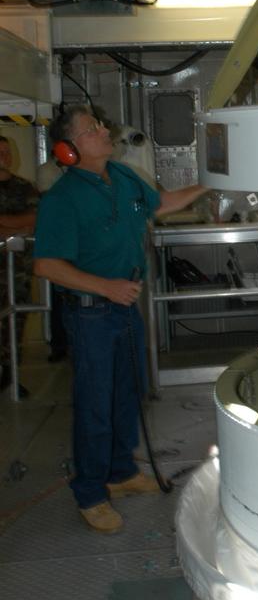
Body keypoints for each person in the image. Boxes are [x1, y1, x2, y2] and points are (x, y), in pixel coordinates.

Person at [33, 105, 207, 534]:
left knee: (128, 395)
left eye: (99, 125)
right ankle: (91, 494)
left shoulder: (124, 176)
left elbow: (161, 203)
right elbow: (47, 265)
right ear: (68, 150)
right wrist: (106, 287)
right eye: (91, 129)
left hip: (123, 308)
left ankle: (121, 472)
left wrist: (211, 183)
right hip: (91, 314)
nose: (103, 130)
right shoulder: (62, 198)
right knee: (95, 405)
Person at [0, 133, 41, 397]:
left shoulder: (25, 188)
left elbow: (36, 219)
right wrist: (17, 227)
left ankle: (10, 374)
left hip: (17, 271)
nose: (4, 157)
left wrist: (4, 225)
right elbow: (25, 223)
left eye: (7, 152)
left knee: (15, 323)